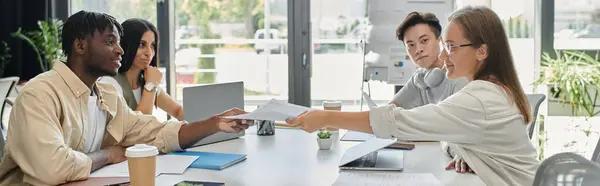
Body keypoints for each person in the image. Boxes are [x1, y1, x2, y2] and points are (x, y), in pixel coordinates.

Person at [286, 6, 539, 186]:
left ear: (481, 51)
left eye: (450, 46)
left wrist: (326, 118)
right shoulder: (489, 89)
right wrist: (466, 153)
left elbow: (401, 121)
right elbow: (462, 133)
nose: (444, 54)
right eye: (445, 46)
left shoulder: (480, 98)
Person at [0, 11, 249, 186]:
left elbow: (156, 133)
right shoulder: (39, 94)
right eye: (110, 42)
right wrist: (108, 154)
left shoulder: (106, 94)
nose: (120, 50)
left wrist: (215, 123)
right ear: (80, 45)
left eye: (119, 42)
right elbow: (52, 168)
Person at [100, 18, 184, 120]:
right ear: (126, 46)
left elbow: (177, 111)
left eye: (152, 45)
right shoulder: (109, 83)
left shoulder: (145, 81)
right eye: (141, 45)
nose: (149, 53)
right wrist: (151, 85)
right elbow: (140, 125)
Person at [390, 12, 468, 109]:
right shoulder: (420, 78)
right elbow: (390, 108)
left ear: (440, 41)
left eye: (424, 40)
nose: (418, 50)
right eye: (411, 45)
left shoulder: (459, 79)